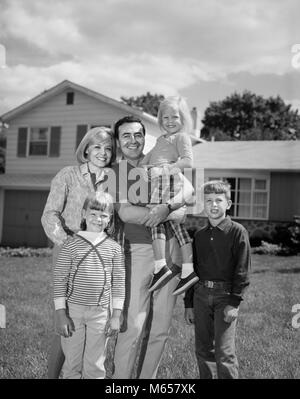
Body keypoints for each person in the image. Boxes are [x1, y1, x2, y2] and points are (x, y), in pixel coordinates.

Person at [112, 115, 192, 379]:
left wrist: (166, 207)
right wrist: (164, 212)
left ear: (144, 137)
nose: (132, 140)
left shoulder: (160, 161)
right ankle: (121, 382)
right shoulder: (118, 172)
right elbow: (125, 213)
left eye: (137, 134)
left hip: (172, 253)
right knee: (133, 326)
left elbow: (189, 193)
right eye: (126, 135)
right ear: (118, 141)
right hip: (138, 253)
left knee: (160, 328)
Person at [41, 126, 116, 378]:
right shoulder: (68, 174)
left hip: (99, 257)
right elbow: (50, 214)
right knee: (65, 322)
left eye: (108, 149)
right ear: (85, 148)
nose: (103, 153)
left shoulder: (113, 179)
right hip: (67, 250)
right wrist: (66, 243)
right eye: (97, 147)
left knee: (93, 322)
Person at [53, 192, 125, 379]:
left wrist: (116, 315)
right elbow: (60, 279)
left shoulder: (115, 249)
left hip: (101, 313)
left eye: (103, 215)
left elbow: (118, 283)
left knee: (94, 365)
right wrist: (61, 314)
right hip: (73, 312)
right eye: (93, 213)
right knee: (72, 364)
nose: (98, 219)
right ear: (84, 214)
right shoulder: (70, 245)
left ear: (109, 219)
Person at [184, 180, 251, 379]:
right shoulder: (200, 235)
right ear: (203, 204)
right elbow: (192, 270)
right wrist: (189, 303)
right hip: (201, 295)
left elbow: (242, 270)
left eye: (218, 200)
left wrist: (234, 302)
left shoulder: (238, 232)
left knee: (224, 353)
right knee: (203, 350)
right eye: (209, 201)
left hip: (225, 297)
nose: (213, 205)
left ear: (228, 204)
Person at [140, 96, 198, 296]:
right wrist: (145, 167)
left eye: (175, 117)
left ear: (183, 119)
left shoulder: (181, 137)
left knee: (156, 218)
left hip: (169, 180)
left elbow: (188, 162)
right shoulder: (160, 139)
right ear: (160, 119)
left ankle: (161, 267)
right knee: (173, 224)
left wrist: (165, 170)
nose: (171, 121)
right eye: (166, 117)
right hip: (160, 180)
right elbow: (147, 160)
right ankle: (187, 270)